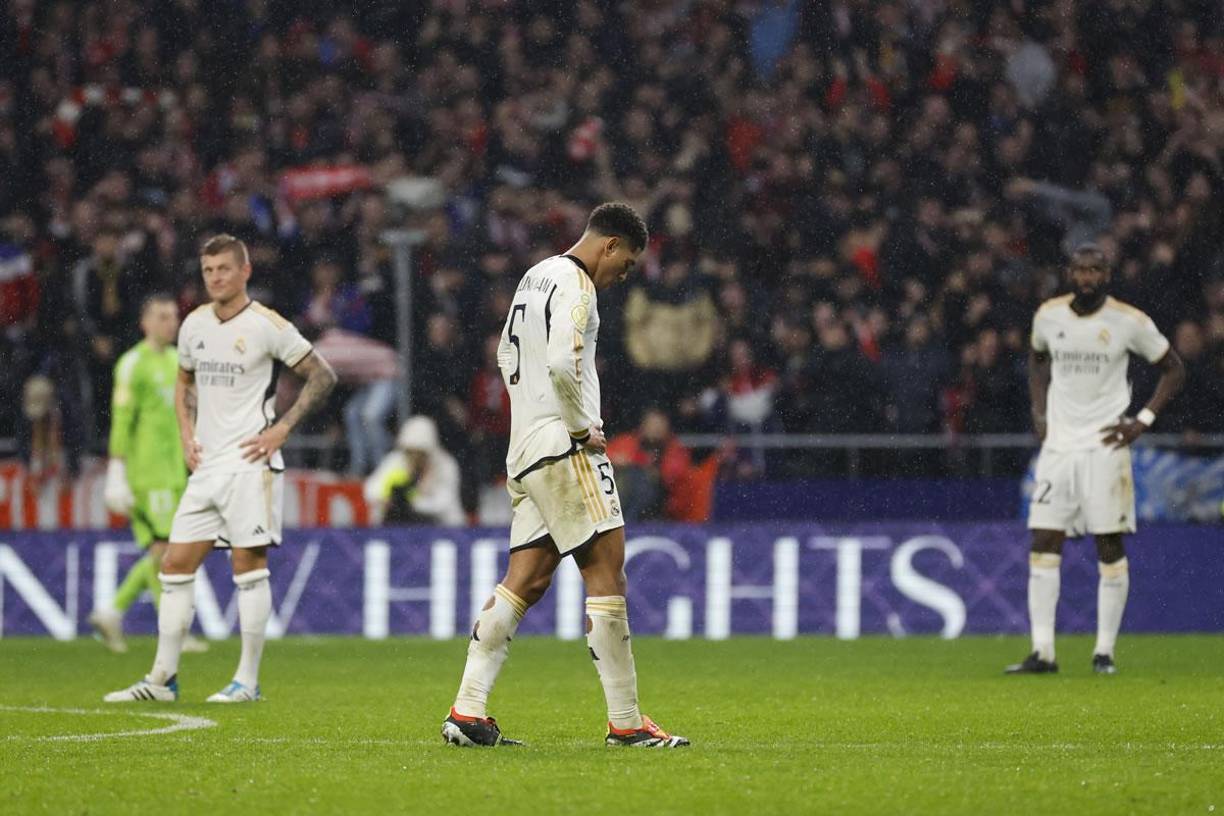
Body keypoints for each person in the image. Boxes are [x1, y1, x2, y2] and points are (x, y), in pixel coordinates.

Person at [441, 203, 689, 748]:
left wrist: (531, 416)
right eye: (625, 265)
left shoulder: (534, 277)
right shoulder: (578, 286)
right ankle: (626, 723)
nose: (622, 277)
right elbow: (561, 362)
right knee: (608, 575)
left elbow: (508, 357)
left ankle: (467, 710)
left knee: (524, 581)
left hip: (526, 448)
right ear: (610, 245)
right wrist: (580, 428)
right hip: (564, 446)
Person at [104, 234, 336, 703]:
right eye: (208, 271)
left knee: (248, 568)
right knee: (174, 565)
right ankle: (162, 679)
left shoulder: (267, 325)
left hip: (251, 463)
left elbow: (322, 374)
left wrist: (282, 429)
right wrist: (187, 433)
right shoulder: (192, 326)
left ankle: (247, 682)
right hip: (207, 466)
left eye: (224, 269)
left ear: (245, 271)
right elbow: (183, 383)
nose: (215, 278)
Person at [1007, 244, 1184, 676]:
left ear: (1108, 274)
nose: (1087, 278)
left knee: (1108, 543)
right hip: (1059, 448)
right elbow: (1037, 358)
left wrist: (1141, 421)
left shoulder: (1128, 321)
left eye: (1095, 270)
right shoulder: (1049, 315)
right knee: (1044, 540)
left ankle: (1104, 652)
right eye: (1080, 270)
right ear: (1070, 273)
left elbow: (1174, 368)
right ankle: (1043, 652)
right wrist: (1038, 411)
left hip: (1105, 445)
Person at [88, 294, 206, 655]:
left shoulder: (177, 361)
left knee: (164, 550)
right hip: (146, 471)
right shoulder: (132, 364)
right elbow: (122, 418)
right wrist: (117, 469)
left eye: (173, 316)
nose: (170, 323)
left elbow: (190, 411)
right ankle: (172, 630)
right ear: (145, 322)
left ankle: (112, 611)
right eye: (162, 316)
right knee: (166, 549)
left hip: (174, 470)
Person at [363, 415, 464, 526]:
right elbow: (371, 488)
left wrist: (415, 499)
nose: (414, 457)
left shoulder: (446, 465)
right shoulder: (397, 460)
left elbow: (444, 504)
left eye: (419, 452)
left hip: (440, 529)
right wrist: (385, 498)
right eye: (410, 451)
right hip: (399, 525)